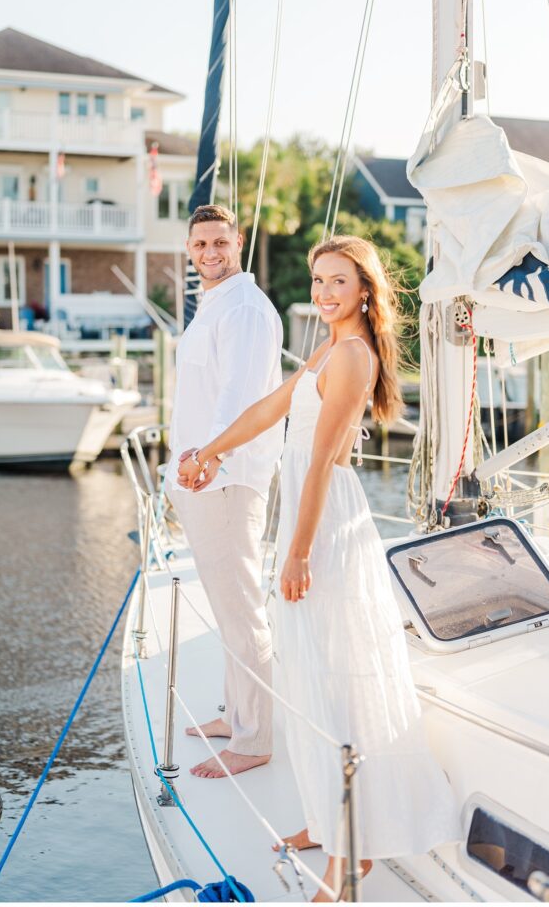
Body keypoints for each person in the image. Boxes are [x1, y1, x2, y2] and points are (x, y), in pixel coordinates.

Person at [178, 235, 461, 900]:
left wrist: (298, 553)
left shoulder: (355, 358)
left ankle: (348, 856)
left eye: (338, 282)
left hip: (325, 525)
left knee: (332, 680)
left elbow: (323, 471)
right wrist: (210, 452)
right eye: (317, 281)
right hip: (306, 522)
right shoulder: (329, 350)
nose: (324, 293)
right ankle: (322, 821)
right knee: (307, 673)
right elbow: (269, 411)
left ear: (364, 289)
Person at [166, 204, 284, 779]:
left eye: (220, 242)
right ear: (190, 250)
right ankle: (235, 716)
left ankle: (255, 738)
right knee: (226, 605)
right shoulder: (215, 304)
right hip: (201, 475)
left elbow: (238, 396)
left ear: (238, 242)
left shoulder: (245, 310)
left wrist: (208, 457)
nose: (210, 253)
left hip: (225, 479)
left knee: (242, 610)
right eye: (200, 245)